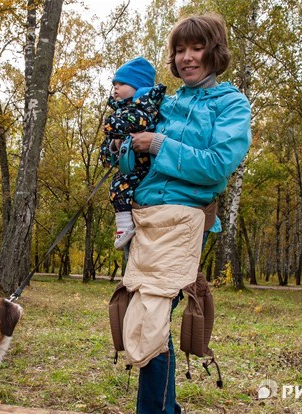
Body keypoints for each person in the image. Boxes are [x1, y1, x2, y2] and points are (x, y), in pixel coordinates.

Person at [121, 14, 252, 413]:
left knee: (153, 323)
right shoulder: (166, 101)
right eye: (180, 50)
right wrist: (126, 144)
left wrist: (159, 143)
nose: (187, 58)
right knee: (143, 322)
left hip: (182, 222)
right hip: (144, 218)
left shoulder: (231, 103)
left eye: (196, 49)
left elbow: (216, 165)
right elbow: (132, 163)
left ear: (214, 52)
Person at [99, 57, 167, 250]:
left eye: (122, 83)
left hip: (145, 175)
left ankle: (125, 227)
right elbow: (105, 158)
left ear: (138, 86)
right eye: (114, 84)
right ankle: (123, 227)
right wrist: (115, 144)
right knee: (117, 190)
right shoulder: (122, 112)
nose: (116, 88)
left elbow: (137, 122)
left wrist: (112, 125)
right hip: (129, 171)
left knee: (121, 188)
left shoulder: (145, 107)